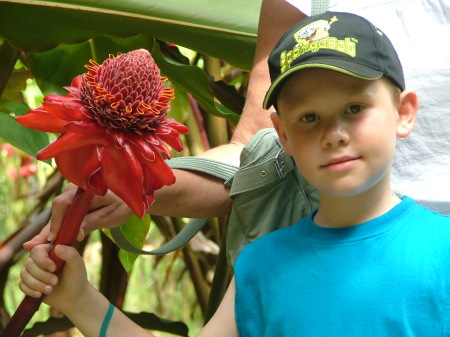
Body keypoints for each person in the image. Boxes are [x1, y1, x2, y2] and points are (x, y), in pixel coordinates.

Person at [20, 12, 450, 336]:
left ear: (404, 113)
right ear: (281, 135)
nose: (334, 134)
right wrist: (80, 300)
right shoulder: (262, 264)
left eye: (354, 109)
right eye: (309, 117)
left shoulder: (441, 253)